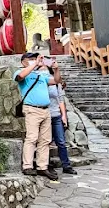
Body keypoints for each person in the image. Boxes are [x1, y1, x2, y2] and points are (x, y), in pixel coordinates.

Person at [14, 52, 58, 180]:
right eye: (31, 59)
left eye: (35, 59)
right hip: (32, 109)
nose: (35, 60)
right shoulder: (20, 72)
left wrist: (56, 69)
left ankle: (42, 167)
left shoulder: (42, 75)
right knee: (32, 138)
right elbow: (20, 77)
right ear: (23, 61)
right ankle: (27, 166)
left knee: (45, 140)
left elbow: (56, 81)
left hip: (46, 110)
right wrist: (34, 65)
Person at [47, 61, 76, 175]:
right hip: (44, 115)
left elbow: (60, 99)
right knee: (46, 142)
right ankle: (47, 165)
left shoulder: (56, 82)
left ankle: (66, 165)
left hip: (56, 114)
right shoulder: (39, 80)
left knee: (61, 141)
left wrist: (64, 115)